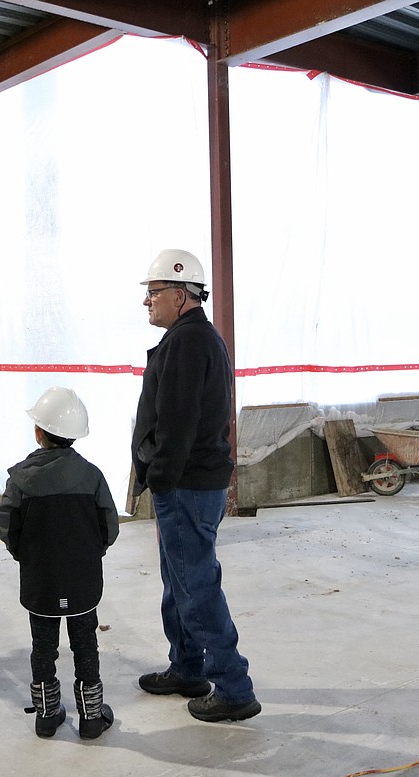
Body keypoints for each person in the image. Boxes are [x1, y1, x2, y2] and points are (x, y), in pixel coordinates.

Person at [130, 249, 261, 722]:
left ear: (181, 297)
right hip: (187, 482)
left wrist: (158, 477)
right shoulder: (193, 338)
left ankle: (232, 686)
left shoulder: (189, 343)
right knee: (179, 579)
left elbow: (178, 423)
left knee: (197, 585)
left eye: (154, 293)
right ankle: (187, 666)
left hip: (185, 484)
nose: (147, 302)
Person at [0, 387, 120, 739]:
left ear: (38, 432)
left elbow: (8, 525)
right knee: (85, 646)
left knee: (43, 647)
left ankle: (47, 716)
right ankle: (91, 717)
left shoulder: (20, 479)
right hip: (82, 581)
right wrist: (87, 555)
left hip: (41, 581)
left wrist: (27, 556)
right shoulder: (92, 475)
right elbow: (109, 527)